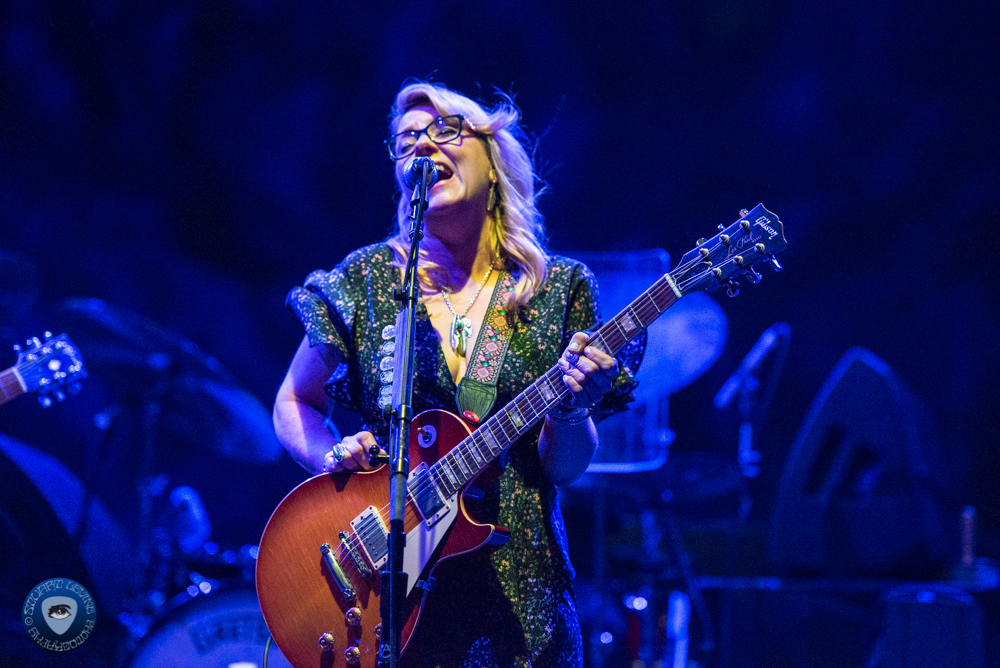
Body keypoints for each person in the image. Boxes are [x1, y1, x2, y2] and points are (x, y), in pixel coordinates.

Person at [273, 80, 638, 668]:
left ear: (493, 162)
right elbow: (295, 399)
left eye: (445, 130)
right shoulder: (367, 282)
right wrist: (331, 457)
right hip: (389, 599)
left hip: (522, 604)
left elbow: (562, 468)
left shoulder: (557, 290)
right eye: (407, 140)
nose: (423, 146)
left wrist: (570, 408)